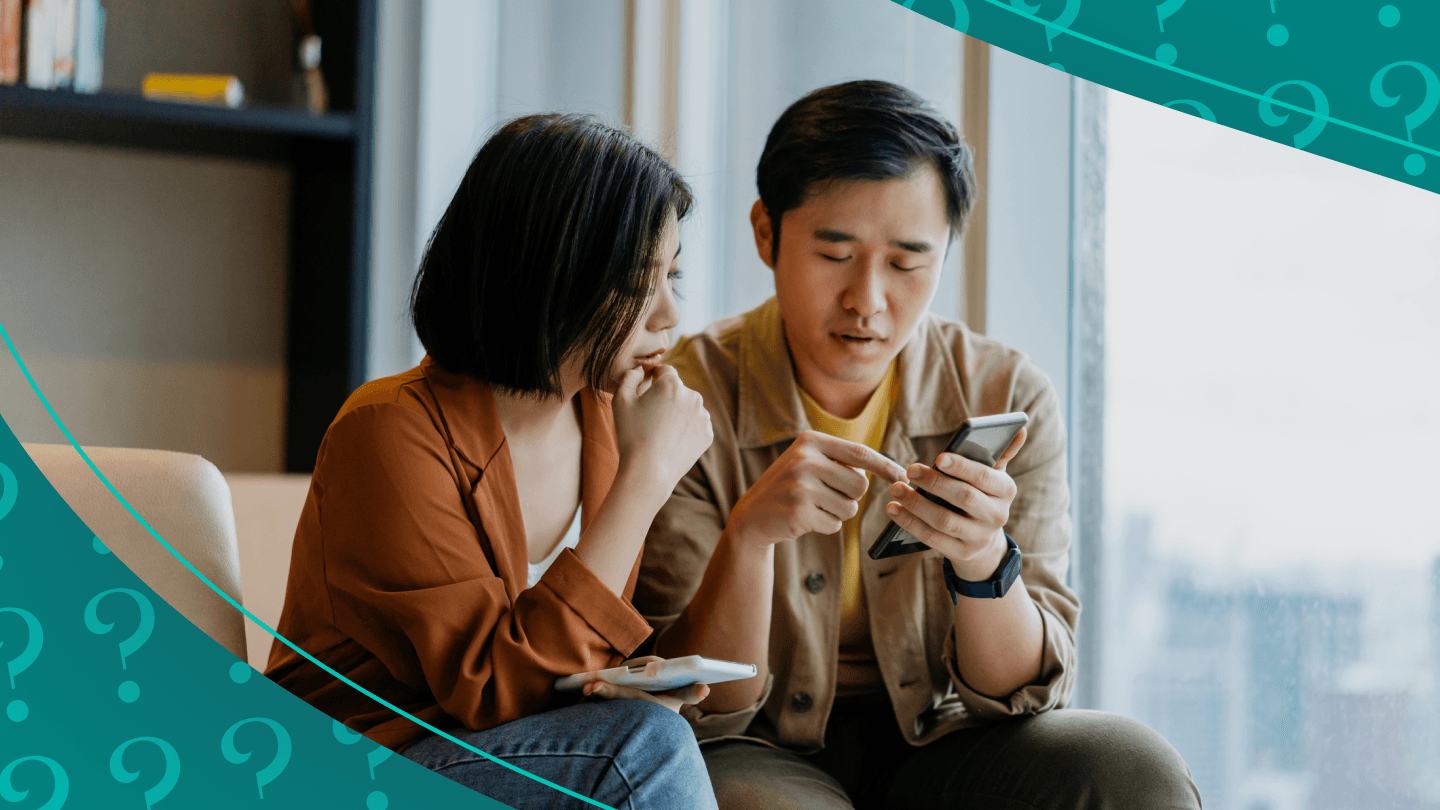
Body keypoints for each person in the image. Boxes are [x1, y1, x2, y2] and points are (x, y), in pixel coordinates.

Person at [634, 81, 1202, 809]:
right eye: (835, 252)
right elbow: (707, 700)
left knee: (1129, 769)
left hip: (950, 740)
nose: (867, 300)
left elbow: (1020, 695)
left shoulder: (1006, 395)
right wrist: (748, 538)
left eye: (907, 263)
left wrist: (981, 560)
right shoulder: (685, 397)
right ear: (766, 233)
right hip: (757, 743)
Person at [266, 113, 720, 809]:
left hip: (507, 751)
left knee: (651, 729)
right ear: (545, 275)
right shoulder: (387, 433)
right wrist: (646, 478)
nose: (668, 318)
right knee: (641, 749)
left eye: (672, 279)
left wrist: (621, 680)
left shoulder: (604, 419)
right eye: (636, 283)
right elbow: (489, 687)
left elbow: (561, 662)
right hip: (356, 765)